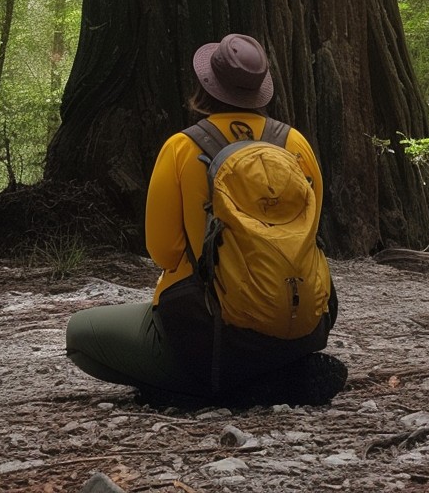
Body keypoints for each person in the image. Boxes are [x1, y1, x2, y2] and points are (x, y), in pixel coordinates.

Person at [66, 33, 347, 405]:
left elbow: (164, 252)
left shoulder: (182, 147)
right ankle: (279, 375)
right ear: (261, 88)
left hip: (209, 336)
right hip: (302, 323)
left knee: (81, 333)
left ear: (206, 85)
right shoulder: (295, 145)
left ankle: (217, 387)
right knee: (268, 339)